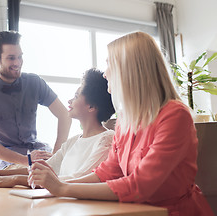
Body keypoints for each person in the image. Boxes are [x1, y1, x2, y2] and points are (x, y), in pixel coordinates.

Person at [28, 32, 214, 216]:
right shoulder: (125, 119)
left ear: (130, 70)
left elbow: (140, 185)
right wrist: (56, 185)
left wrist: (62, 188)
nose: (105, 73)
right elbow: (106, 173)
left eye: (109, 64)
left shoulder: (175, 115)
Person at [0, 68, 115, 188]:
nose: (69, 100)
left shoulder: (107, 139)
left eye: (76, 96)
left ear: (91, 107)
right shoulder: (73, 142)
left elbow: (79, 179)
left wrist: (16, 179)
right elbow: (42, 170)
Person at [0, 31, 72, 170]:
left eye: (20, 57)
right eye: (11, 58)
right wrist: (26, 160)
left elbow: (65, 115)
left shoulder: (35, 82)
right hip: (10, 160)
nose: (17, 63)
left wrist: (56, 155)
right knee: (32, 176)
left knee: (71, 169)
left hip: (38, 151)